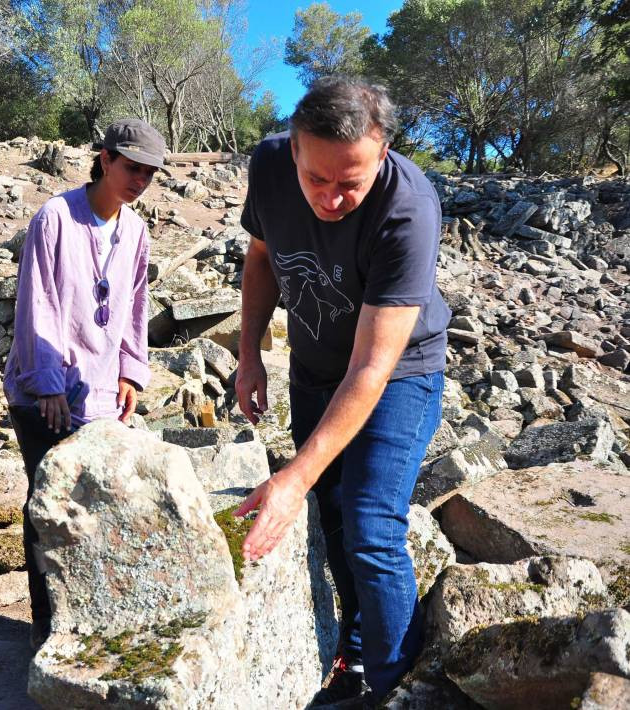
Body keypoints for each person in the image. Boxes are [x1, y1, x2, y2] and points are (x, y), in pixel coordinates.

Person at [232, 77, 450, 707]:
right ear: (295, 148)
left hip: (399, 371)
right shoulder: (269, 163)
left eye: (350, 182)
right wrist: (249, 354)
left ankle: (393, 689)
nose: (331, 198)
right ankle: (354, 652)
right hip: (315, 364)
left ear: (383, 152)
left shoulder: (408, 209)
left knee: (371, 526)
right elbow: (261, 258)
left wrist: (292, 478)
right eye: (316, 179)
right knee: (329, 517)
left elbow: (372, 368)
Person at [3, 118, 160, 649]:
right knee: (49, 504)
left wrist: (130, 371)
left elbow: (135, 305)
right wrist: (46, 383)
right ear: (105, 159)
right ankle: (46, 624)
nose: (140, 181)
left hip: (100, 391)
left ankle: (87, 619)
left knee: (96, 506)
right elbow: (37, 302)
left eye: (149, 173)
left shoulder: (135, 230)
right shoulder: (55, 217)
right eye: (132, 168)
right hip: (44, 388)